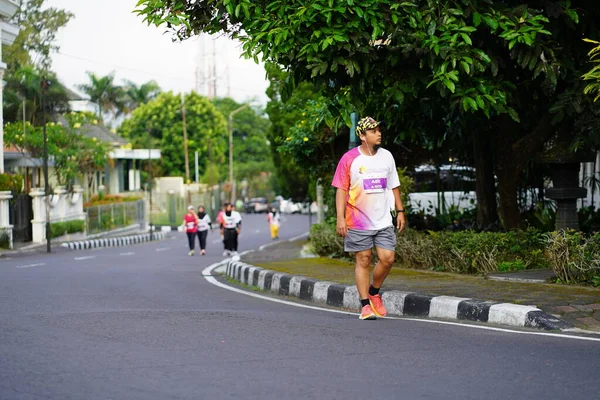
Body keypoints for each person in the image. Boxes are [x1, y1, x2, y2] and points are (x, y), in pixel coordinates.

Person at [331, 116, 406, 320]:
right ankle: (365, 305)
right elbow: (340, 190)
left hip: (383, 219)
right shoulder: (349, 159)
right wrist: (340, 218)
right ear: (363, 136)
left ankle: (374, 292)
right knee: (363, 259)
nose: (379, 133)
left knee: (387, 258)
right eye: (373, 131)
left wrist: (400, 211)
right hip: (358, 220)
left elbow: (394, 186)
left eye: (379, 130)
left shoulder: (387, 156)